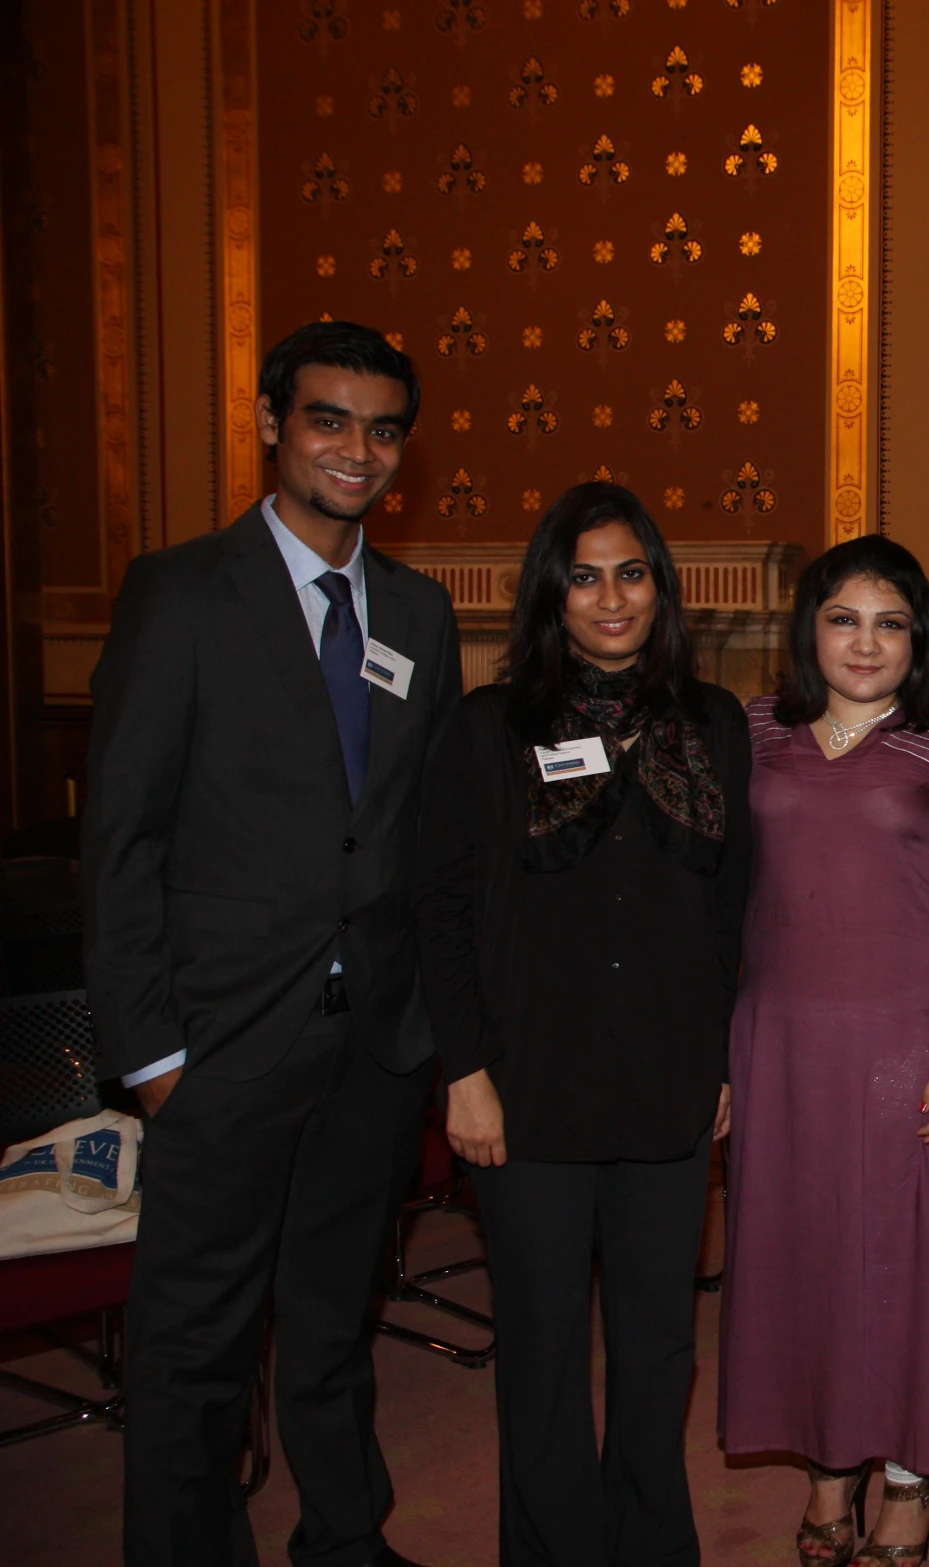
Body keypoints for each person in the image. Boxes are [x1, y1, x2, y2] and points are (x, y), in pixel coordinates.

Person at [84, 320, 460, 1567]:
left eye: (382, 427)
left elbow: (416, 834)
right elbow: (122, 840)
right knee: (197, 1341)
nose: (357, 450)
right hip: (223, 1043)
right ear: (269, 423)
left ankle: (345, 1541)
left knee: (335, 1320)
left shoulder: (416, 609)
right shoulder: (181, 593)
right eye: (328, 419)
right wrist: (151, 1056)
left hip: (371, 1044)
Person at [415, 483, 751, 1566]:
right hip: (528, 1086)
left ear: (661, 586)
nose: (610, 597)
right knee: (544, 1347)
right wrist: (461, 1069)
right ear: (549, 592)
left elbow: (731, 909)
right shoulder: (486, 727)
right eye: (584, 574)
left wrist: (725, 1058)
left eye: (632, 571)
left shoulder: (714, 725)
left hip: (667, 1083)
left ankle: (652, 1547)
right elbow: (443, 908)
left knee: (657, 1349)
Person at [719, 536, 929, 1565]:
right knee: (804, 1255)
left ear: (916, 640)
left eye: (891, 623)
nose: (866, 642)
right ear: (810, 630)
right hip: (780, 1041)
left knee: (901, 1262)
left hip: (904, 1041)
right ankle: (829, 1461)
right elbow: (711, 899)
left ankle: (913, 1477)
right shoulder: (751, 732)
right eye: (844, 618)